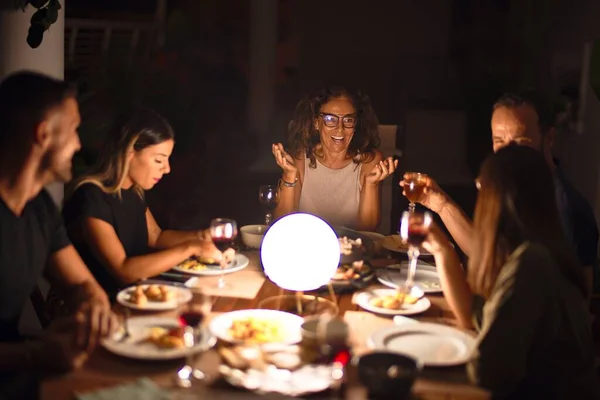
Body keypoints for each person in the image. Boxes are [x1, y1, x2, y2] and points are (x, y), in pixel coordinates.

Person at [422, 144, 599, 399]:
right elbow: (475, 317)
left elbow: (487, 371)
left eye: (482, 186)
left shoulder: (533, 262)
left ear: (501, 199)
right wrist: (443, 251)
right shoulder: (536, 254)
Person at [402, 89, 599, 295]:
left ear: (549, 139)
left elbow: (578, 305)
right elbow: (489, 257)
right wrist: (440, 205)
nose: (508, 153)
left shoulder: (566, 208)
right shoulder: (513, 188)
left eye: (521, 142)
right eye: (499, 141)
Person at [0, 71, 117, 392]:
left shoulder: (39, 210)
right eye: (74, 129)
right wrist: (35, 353)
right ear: (43, 135)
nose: (79, 144)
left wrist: (93, 305)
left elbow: (81, 283)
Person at [62, 108, 230, 299]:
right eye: (159, 160)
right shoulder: (90, 197)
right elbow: (123, 270)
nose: (167, 169)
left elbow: (156, 237)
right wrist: (191, 247)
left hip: (138, 295)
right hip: (101, 308)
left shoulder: (134, 191)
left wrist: (202, 237)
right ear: (129, 152)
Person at [272, 86, 397, 231]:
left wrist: (371, 184)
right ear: (316, 123)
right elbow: (281, 224)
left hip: (351, 249)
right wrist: (289, 175)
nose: (340, 129)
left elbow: (367, 231)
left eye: (348, 120)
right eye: (330, 119)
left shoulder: (370, 161)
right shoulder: (300, 158)